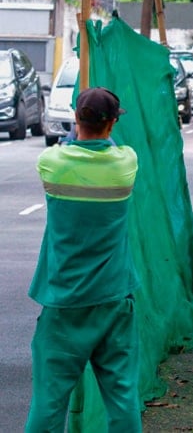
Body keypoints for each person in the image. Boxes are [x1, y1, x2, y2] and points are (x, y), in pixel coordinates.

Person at [26, 87, 141, 432]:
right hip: (113, 299)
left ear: (76, 119)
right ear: (111, 125)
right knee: (122, 400)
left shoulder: (51, 164)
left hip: (64, 303)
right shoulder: (126, 164)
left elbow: (63, 150)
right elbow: (115, 149)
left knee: (48, 403)